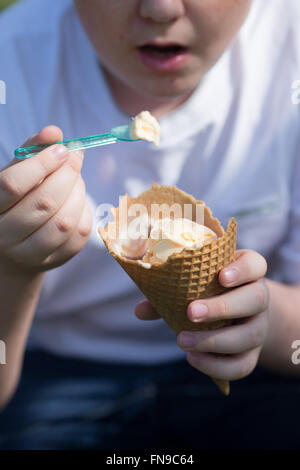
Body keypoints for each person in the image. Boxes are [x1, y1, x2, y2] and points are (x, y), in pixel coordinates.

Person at [0, 0, 299, 450]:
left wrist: (258, 317)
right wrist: (13, 269)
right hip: (54, 369)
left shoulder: (288, 49)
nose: (160, 9)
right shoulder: (13, 64)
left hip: (256, 373)